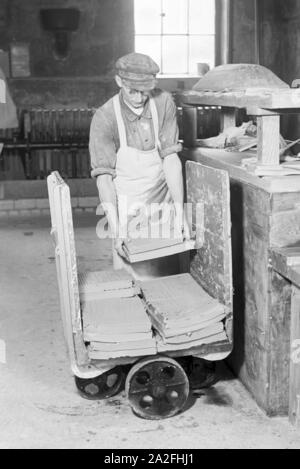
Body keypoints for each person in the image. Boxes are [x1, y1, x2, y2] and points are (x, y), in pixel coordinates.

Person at [89, 52, 190, 279]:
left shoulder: (163, 103)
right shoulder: (105, 118)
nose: (138, 98)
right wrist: (117, 230)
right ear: (119, 82)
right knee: (133, 280)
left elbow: (171, 159)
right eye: (132, 91)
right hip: (126, 210)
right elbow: (104, 179)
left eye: (144, 92)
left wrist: (180, 211)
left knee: (167, 278)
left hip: (161, 206)